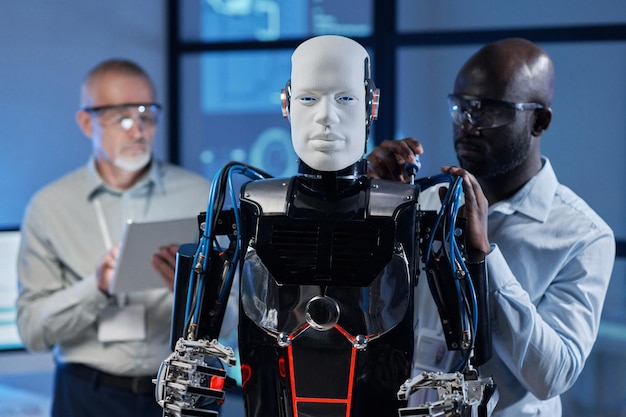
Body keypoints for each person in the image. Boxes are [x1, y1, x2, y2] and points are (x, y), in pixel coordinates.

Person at [366, 37, 615, 416]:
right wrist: (377, 204)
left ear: (539, 121)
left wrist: (485, 260)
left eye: (489, 112)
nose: (468, 125)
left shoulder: (583, 236)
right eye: (462, 107)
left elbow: (552, 376)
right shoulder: (431, 202)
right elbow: (375, 316)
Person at [16, 59, 210, 417]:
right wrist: (97, 287)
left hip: (179, 392)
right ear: (86, 122)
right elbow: (31, 332)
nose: (138, 130)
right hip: (85, 395)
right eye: (121, 117)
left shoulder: (200, 197)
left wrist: (188, 295)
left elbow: (229, 323)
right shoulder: (49, 206)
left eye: (147, 114)